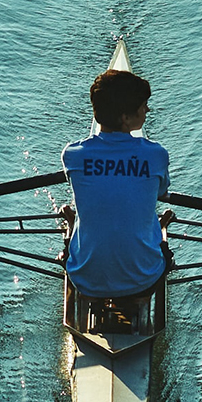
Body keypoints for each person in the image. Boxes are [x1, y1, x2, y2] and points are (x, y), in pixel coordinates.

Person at [61, 65, 170, 299]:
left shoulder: (73, 155)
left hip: (85, 279)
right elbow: (161, 193)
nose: (147, 110)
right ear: (125, 118)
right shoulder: (156, 155)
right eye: (143, 106)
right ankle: (159, 231)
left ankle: (73, 228)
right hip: (144, 280)